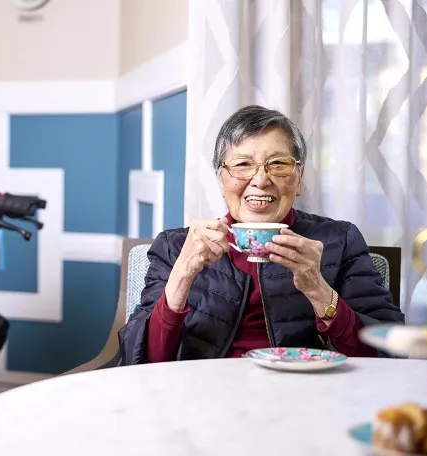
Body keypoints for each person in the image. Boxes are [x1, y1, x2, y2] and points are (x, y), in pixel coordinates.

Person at [118, 105, 405, 364]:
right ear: (221, 181)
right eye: (243, 164)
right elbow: (137, 359)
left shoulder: (338, 240)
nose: (260, 180)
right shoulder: (176, 246)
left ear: (299, 179)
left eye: (278, 164)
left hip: (307, 395)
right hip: (203, 395)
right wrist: (181, 275)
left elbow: (389, 350)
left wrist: (319, 291)